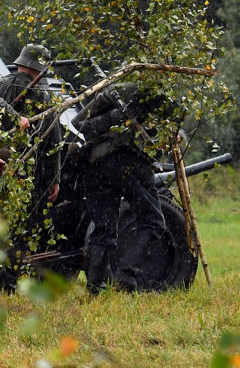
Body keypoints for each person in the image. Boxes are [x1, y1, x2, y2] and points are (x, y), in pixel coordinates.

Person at [71, 82, 168, 294]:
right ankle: (125, 276)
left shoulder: (113, 90)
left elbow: (78, 122)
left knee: (104, 229)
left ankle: (95, 289)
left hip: (95, 165)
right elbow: (80, 123)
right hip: (126, 162)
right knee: (153, 220)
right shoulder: (156, 92)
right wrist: (118, 118)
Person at [0, 44, 62, 204]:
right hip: (25, 173)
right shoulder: (43, 96)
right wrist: (54, 179)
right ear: (41, 68)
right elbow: (52, 141)